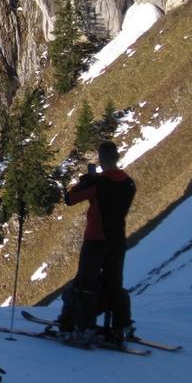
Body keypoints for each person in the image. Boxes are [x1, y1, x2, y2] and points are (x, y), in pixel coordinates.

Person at [58, 141, 136, 345]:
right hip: (117, 239)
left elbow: (69, 198)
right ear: (117, 157)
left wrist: (84, 182)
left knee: (86, 284)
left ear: (101, 159)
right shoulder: (128, 183)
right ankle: (121, 329)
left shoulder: (98, 183)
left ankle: (85, 329)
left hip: (95, 239)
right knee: (114, 284)